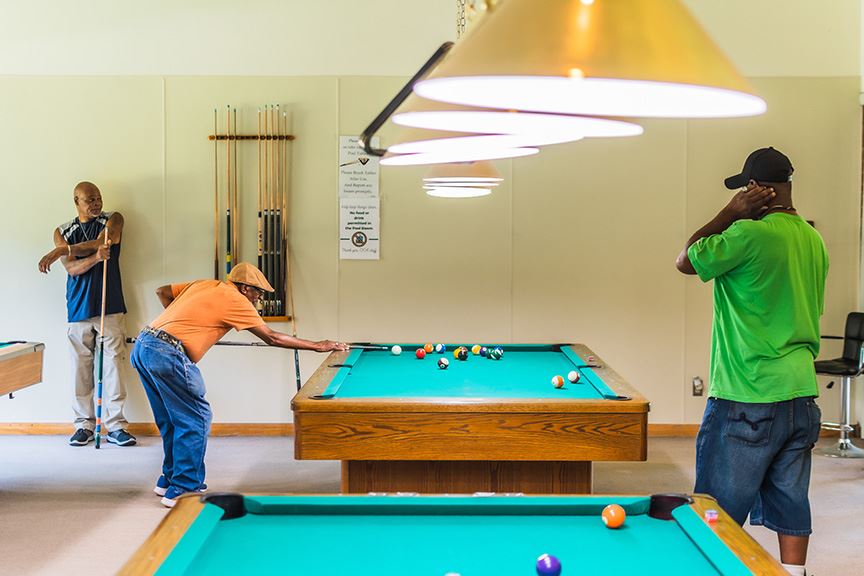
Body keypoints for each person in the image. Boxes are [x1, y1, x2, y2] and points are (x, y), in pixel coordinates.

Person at [675, 147, 828, 576]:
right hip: (800, 393)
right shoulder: (812, 239)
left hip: (747, 393)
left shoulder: (746, 234)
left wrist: (729, 212)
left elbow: (686, 259)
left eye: (745, 188)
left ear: (758, 189)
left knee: (714, 509)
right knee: (792, 499)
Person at [130, 262, 348, 507]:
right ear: (245, 288)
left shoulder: (205, 284)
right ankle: (183, 488)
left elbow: (162, 291)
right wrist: (319, 345)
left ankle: (168, 480)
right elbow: (271, 337)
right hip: (167, 354)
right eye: (258, 292)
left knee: (172, 418)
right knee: (196, 418)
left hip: (144, 345)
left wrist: (184, 324)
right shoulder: (236, 299)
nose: (258, 298)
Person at [38, 181, 136, 447]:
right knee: (80, 370)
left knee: (114, 366)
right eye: (89, 199)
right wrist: (92, 257)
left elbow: (108, 239)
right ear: (76, 202)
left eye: (98, 198)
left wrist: (64, 249)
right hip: (79, 308)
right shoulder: (62, 230)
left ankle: (115, 426)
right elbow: (72, 269)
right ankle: (84, 425)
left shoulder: (113, 219)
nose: (96, 204)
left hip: (110, 306)